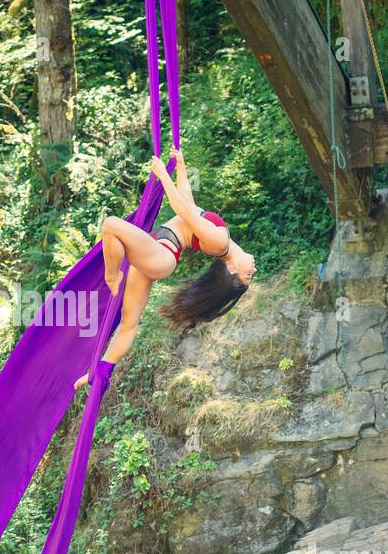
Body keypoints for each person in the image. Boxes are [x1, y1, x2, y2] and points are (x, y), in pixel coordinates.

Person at [74, 148, 256, 390]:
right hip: (160, 249)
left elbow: (183, 211)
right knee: (129, 323)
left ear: (232, 268)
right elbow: (190, 205)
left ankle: (111, 275)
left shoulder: (220, 243)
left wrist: (163, 176)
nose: (253, 269)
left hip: (162, 255)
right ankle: (101, 374)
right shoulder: (224, 243)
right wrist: (181, 167)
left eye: (248, 275)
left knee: (111, 226)